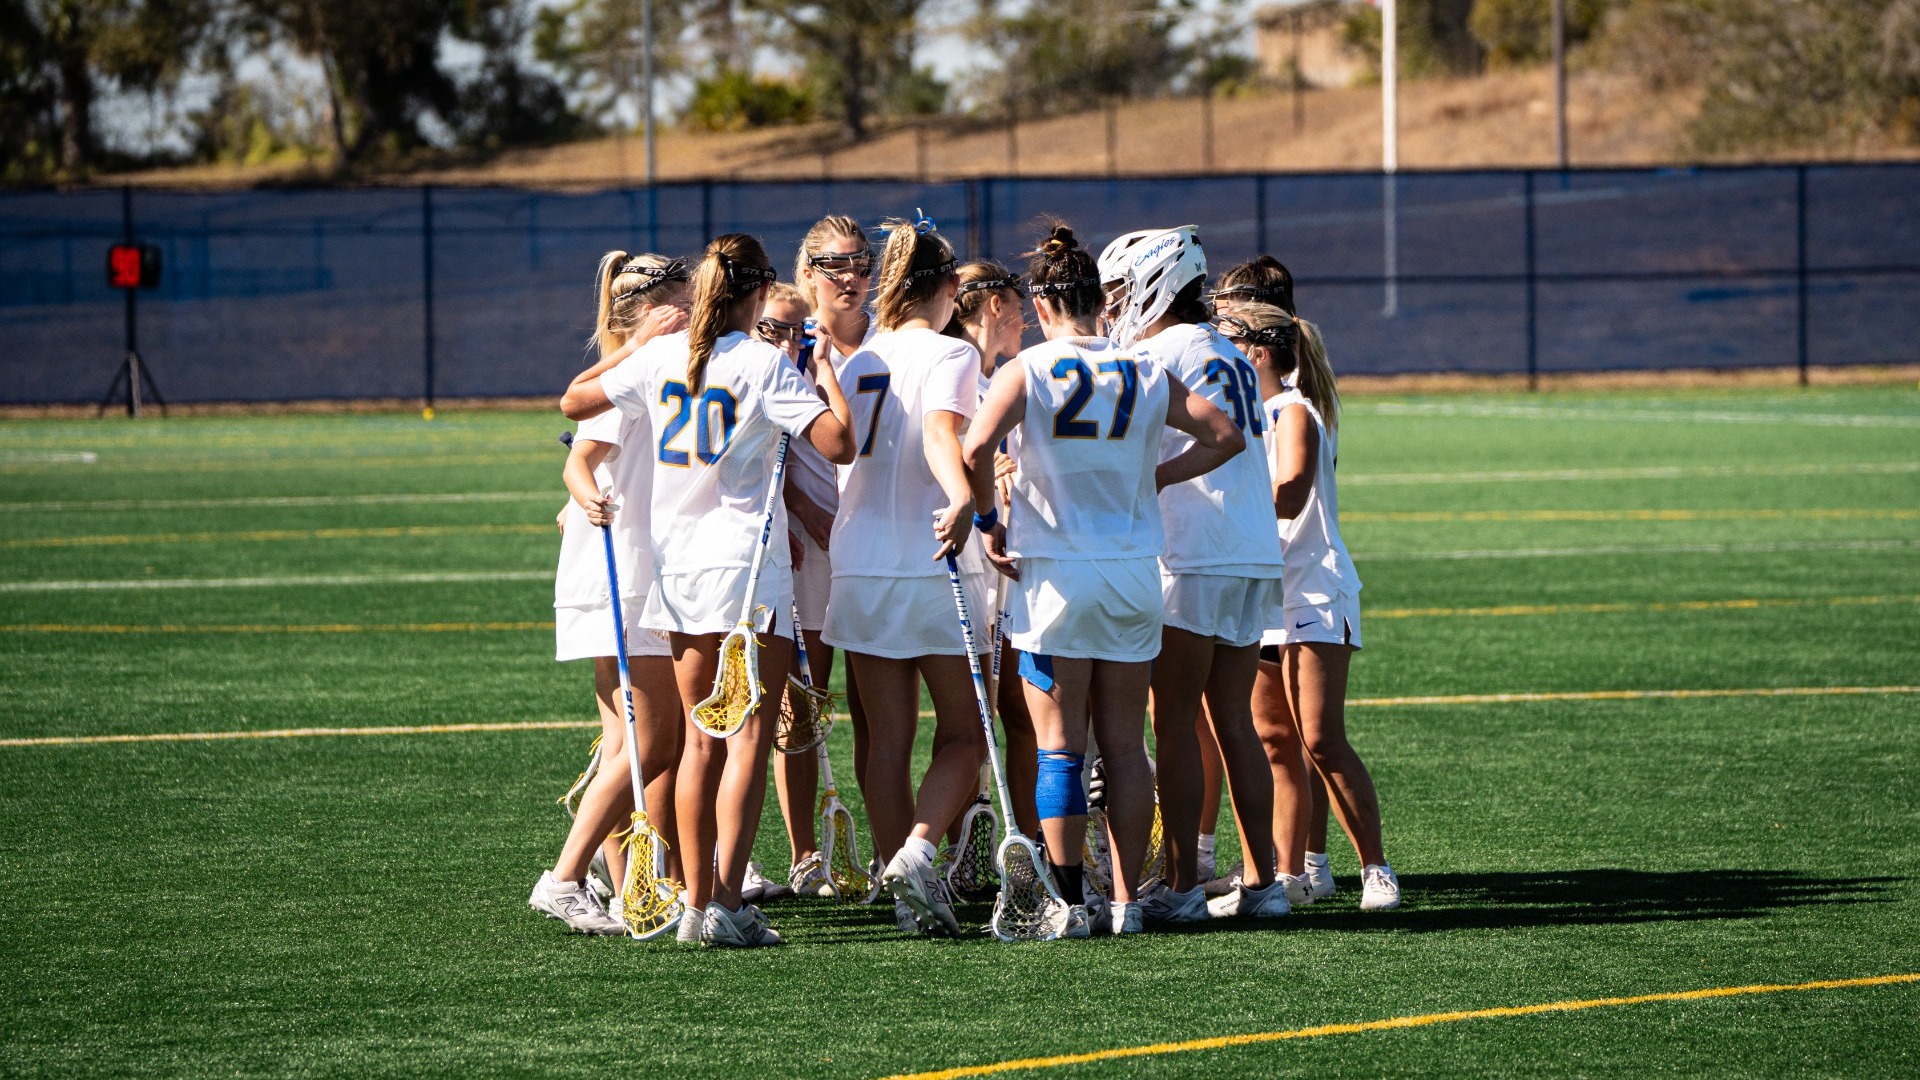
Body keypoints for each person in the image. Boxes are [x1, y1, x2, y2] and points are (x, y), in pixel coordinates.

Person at [561, 234, 856, 947]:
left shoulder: (662, 355)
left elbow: (573, 401)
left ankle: (696, 904)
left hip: (677, 571)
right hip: (746, 571)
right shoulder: (762, 362)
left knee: (700, 741)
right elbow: (839, 444)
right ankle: (725, 901)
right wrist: (819, 372)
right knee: (746, 738)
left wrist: (636, 349)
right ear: (757, 293)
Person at [965, 223, 1245, 937]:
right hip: (1132, 576)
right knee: (1125, 744)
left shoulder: (1027, 369)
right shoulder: (1144, 368)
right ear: (1100, 302)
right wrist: (1157, 476)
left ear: (1042, 303)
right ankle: (1124, 901)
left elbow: (974, 447)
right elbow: (1225, 434)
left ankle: (1068, 902)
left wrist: (989, 522)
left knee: (1061, 747)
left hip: (1056, 579)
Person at [1097, 226, 1290, 922]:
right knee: (1232, 720)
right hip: (1250, 548)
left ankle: (1181, 887)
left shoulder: (1162, 351)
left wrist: (1151, 479)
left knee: (1174, 719)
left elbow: (1206, 441)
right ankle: (1265, 883)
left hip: (1193, 550)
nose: (1113, 305)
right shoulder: (1226, 349)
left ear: (1156, 283)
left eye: (1121, 290)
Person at [824, 213, 989, 937]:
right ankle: (918, 854)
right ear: (948, 286)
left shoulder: (862, 357)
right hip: (930, 558)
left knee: (886, 743)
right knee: (966, 735)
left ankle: (902, 893)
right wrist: (962, 497)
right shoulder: (952, 352)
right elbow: (940, 433)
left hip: (860, 562)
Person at [530, 251, 690, 936]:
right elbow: (581, 456)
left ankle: (627, 889)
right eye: (688, 302)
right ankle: (565, 877)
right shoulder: (629, 376)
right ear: (659, 312)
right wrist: (586, 497)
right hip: (621, 576)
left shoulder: (647, 370)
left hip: (632, 573)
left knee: (629, 745)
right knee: (650, 746)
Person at [1226, 301, 1400, 913]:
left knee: (1321, 740)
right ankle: (1290, 873)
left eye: (1229, 343)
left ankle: (1375, 869)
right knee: (1274, 741)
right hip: (1264, 594)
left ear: (1258, 353)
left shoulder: (1292, 411)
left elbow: (1291, 492)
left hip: (1314, 590)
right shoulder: (1243, 415)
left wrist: (1216, 504)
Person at [944, 259, 1039, 838]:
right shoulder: (954, 369)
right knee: (972, 721)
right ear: (994, 306)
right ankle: (955, 849)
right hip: (967, 564)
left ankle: (1032, 845)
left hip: (1005, 560)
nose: (1025, 318)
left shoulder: (1002, 377)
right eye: (1018, 305)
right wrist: (979, 472)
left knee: (1020, 713)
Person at [755, 279, 833, 898]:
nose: (786, 341)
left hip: (850, 549)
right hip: (789, 551)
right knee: (792, 702)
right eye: (772, 328)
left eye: (796, 331)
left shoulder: (819, 367)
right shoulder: (754, 374)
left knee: (825, 698)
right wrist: (800, 508)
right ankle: (803, 851)